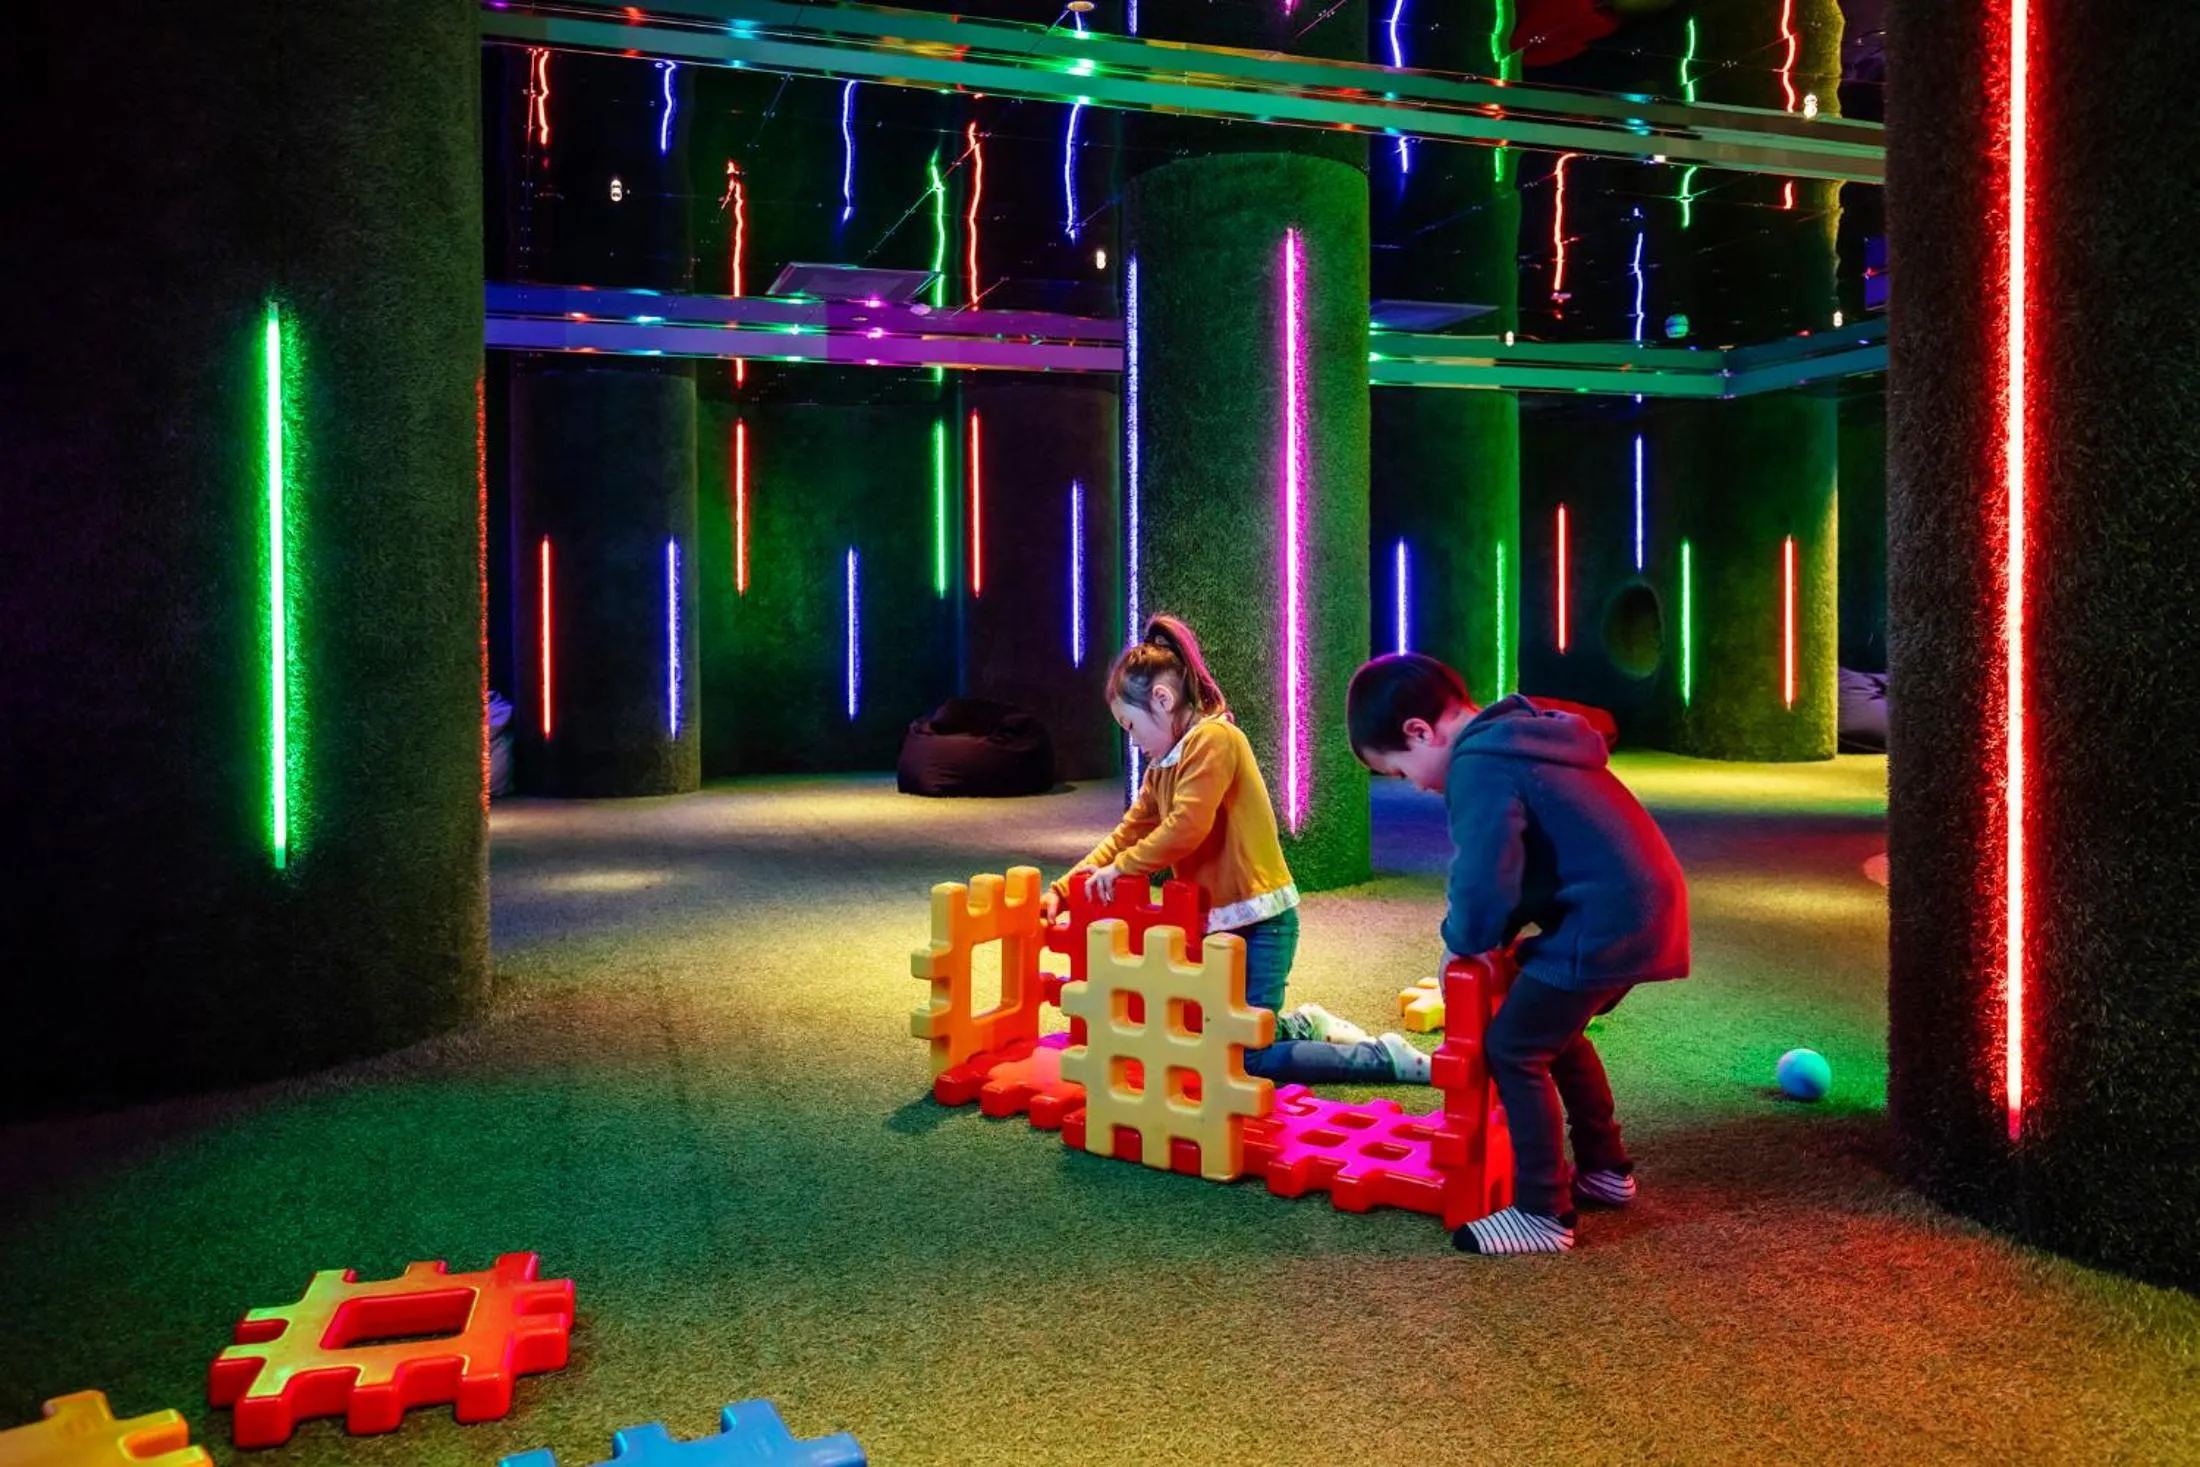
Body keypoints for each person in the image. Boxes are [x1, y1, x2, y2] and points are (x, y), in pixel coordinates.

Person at [1346, 653, 1690, 1254]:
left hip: (1605, 917)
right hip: (1639, 908)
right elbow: (1534, 859)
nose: (1420, 786)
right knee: (1554, 1029)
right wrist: (1499, 936)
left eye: (1402, 771)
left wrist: (1466, 939)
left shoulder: (1479, 763)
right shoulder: (1520, 736)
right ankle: (1606, 1170)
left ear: (1420, 732)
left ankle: (1542, 1211)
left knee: (1514, 1046)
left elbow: (1486, 873)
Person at [1044, 614, 1429, 1086]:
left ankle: (1383, 1057)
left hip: (1261, 923)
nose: (1133, 741)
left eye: (1131, 725)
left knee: (1247, 1059)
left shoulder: (1214, 739)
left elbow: (1187, 826)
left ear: (1162, 701)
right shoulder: (1161, 769)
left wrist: (1123, 869)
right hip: (1216, 926)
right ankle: (1306, 1025)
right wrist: (1066, 889)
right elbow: (1126, 833)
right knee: (1210, 1037)